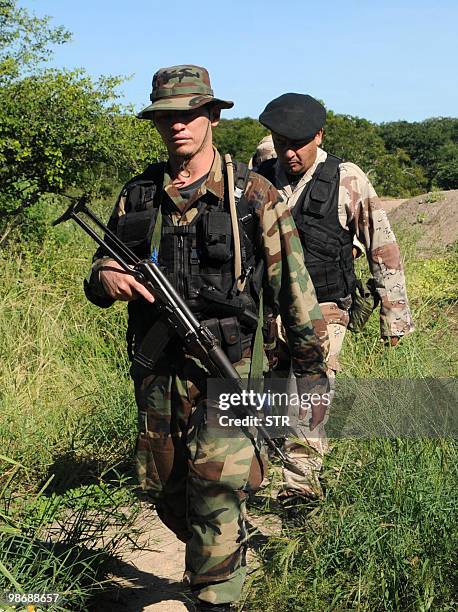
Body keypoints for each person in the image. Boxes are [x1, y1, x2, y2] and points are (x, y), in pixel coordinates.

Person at [84, 67, 328, 611]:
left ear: (213, 117)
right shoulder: (139, 194)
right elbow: (100, 269)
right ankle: (211, 562)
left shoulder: (252, 194)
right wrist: (105, 279)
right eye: (167, 117)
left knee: (217, 490)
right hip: (159, 372)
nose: (178, 126)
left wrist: (308, 374)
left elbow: (295, 288)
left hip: (232, 367)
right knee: (165, 487)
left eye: (190, 114)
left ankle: (215, 597)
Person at [254, 93, 415, 503]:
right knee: (273, 397)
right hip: (270, 312)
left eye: (299, 142)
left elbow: (382, 245)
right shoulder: (260, 179)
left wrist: (394, 315)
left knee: (308, 392)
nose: (290, 152)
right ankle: (272, 468)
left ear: (319, 135)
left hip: (326, 308)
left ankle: (300, 489)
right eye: (282, 142)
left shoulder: (347, 178)